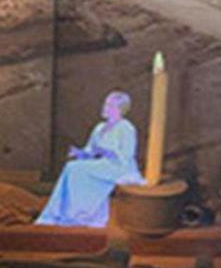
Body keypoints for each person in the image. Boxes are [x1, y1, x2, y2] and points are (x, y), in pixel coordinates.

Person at [36, 90, 143, 227]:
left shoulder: (126, 128)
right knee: (72, 167)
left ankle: (80, 215)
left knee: (76, 169)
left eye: (110, 105)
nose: (105, 108)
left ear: (120, 109)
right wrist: (79, 153)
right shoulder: (99, 127)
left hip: (120, 167)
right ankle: (63, 212)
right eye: (105, 104)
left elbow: (127, 156)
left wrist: (104, 152)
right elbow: (90, 150)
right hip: (102, 164)